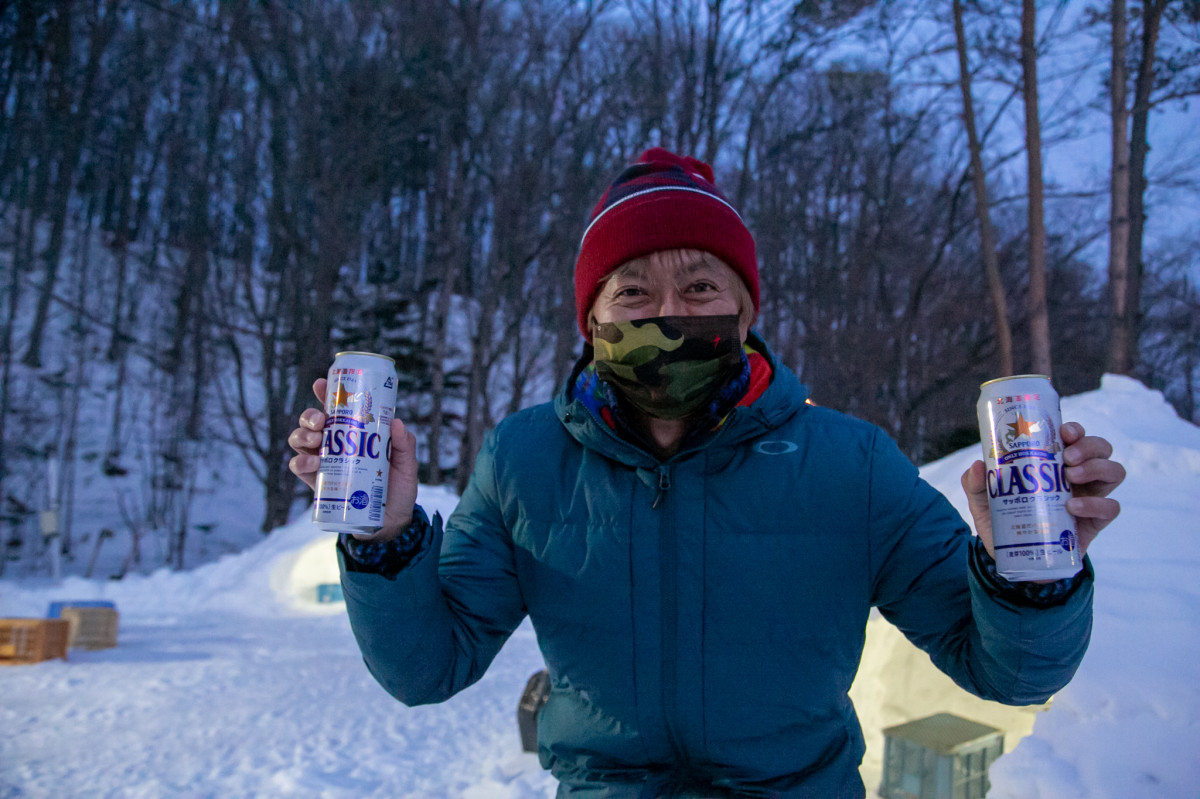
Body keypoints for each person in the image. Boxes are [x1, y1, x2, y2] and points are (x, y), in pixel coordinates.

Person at [287, 148, 1125, 798]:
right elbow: (426, 668)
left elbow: (1010, 671)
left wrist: (1032, 575)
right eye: (632, 292)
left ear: (746, 309)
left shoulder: (851, 462)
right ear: (592, 318)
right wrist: (383, 535)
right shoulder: (525, 459)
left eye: (698, 284)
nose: (668, 313)